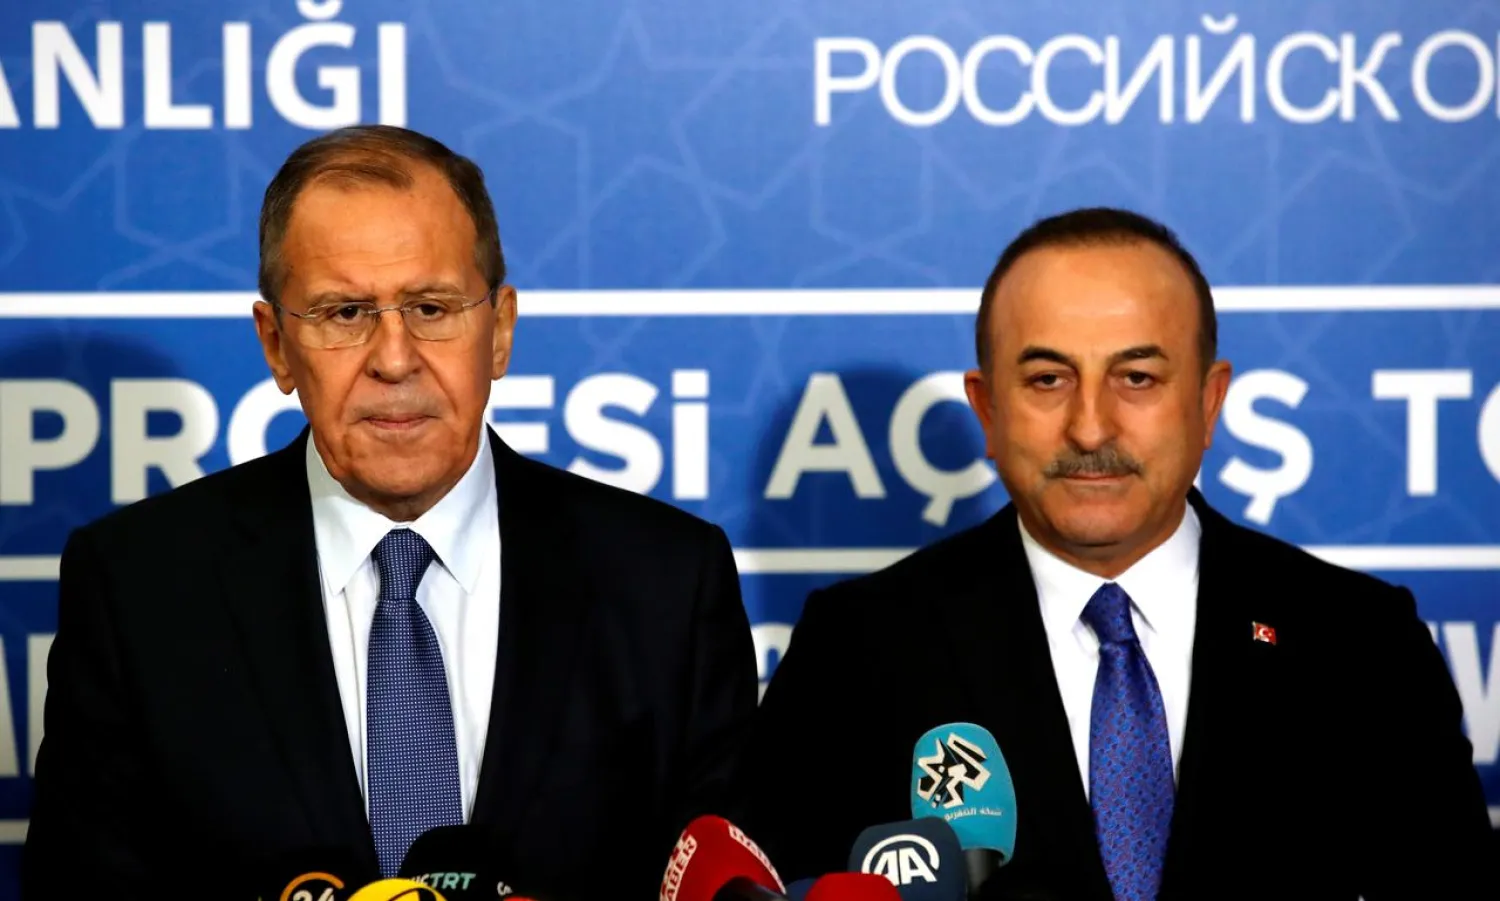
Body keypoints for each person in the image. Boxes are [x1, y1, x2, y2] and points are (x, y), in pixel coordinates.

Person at [23, 125, 759, 900]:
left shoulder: (665, 582)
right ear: (276, 344)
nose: (395, 357)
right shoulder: (141, 589)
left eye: (432, 307)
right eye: (344, 313)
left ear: (500, 330)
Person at [740, 208, 1493, 899]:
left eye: (1137, 378)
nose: (1091, 428)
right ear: (988, 410)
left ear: (1207, 403)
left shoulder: (1361, 642)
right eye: (1047, 379)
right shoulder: (860, 647)